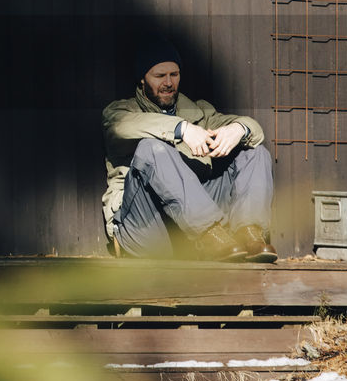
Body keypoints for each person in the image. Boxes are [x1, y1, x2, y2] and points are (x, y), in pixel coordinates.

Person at [101, 35, 277, 263]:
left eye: (174, 75)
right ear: (142, 79)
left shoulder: (199, 112)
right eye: (159, 75)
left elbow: (253, 131)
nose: (168, 83)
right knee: (152, 148)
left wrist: (239, 129)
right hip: (145, 226)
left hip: (188, 229)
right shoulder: (120, 113)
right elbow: (122, 128)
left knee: (255, 152)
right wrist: (181, 129)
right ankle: (208, 234)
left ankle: (249, 234)